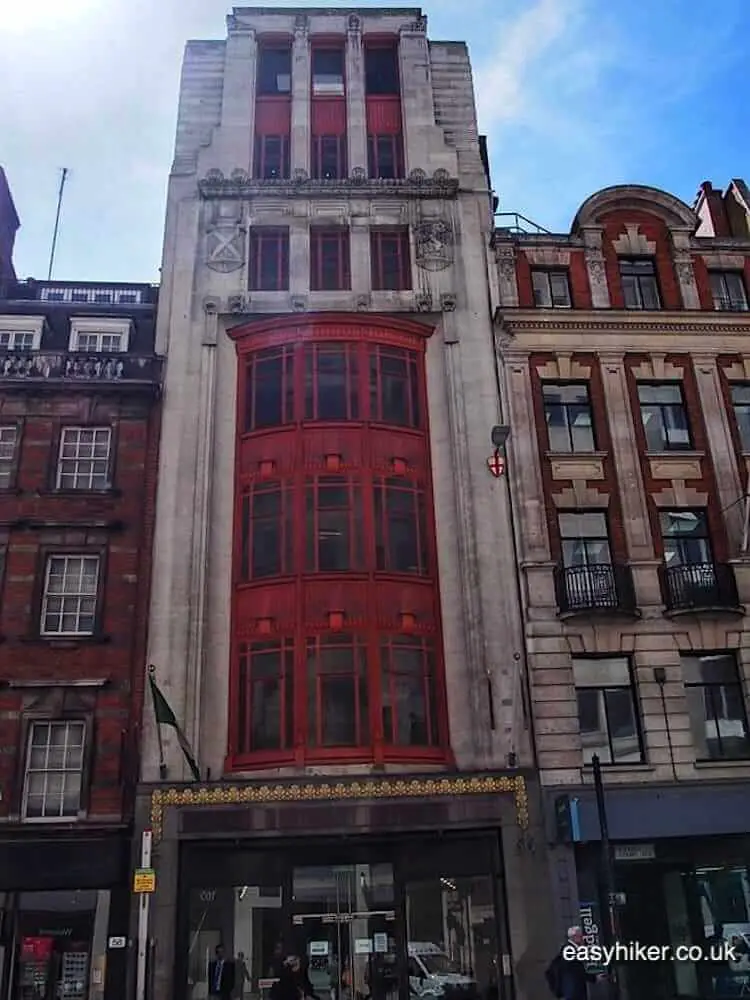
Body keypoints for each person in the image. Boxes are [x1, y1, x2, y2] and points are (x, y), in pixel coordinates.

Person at [545, 926, 603, 1000]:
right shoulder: (569, 951)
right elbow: (577, 970)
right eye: (581, 936)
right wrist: (594, 978)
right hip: (574, 992)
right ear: (575, 937)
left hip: (572, 991)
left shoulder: (568, 949)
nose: (583, 939)